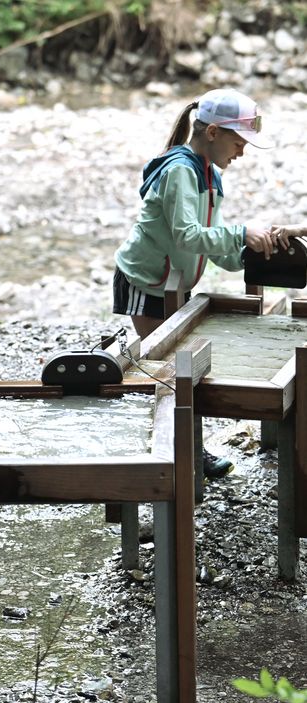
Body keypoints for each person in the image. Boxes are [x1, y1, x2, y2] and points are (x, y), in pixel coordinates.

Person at [113, 87, 274, 478]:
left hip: (175, 281)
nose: (242, 153)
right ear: (214, 132)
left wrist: (251, 255)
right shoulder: (179, 171)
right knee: (165, 373)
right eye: (239, 143)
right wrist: (241, 232)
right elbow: (187, 234)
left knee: (176, 372)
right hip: (145, 281)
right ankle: (174, 460)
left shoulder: (209, 176)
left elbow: (210, 242)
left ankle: (185, 454)